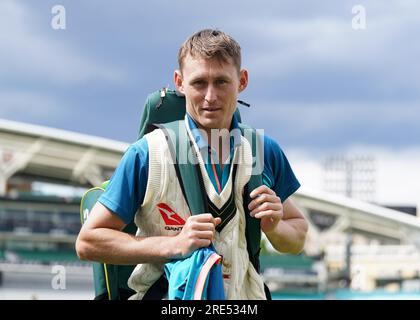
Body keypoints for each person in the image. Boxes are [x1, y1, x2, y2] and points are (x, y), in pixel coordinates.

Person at [76, 29, 308, 299]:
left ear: (242, 81)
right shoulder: (147, 154)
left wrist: (275, 226)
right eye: (199, 83)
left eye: (221, 82)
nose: (210, 96)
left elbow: (297, 237)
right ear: (180, 82)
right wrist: (173, 244)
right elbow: (88, 241)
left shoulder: (264, 151)